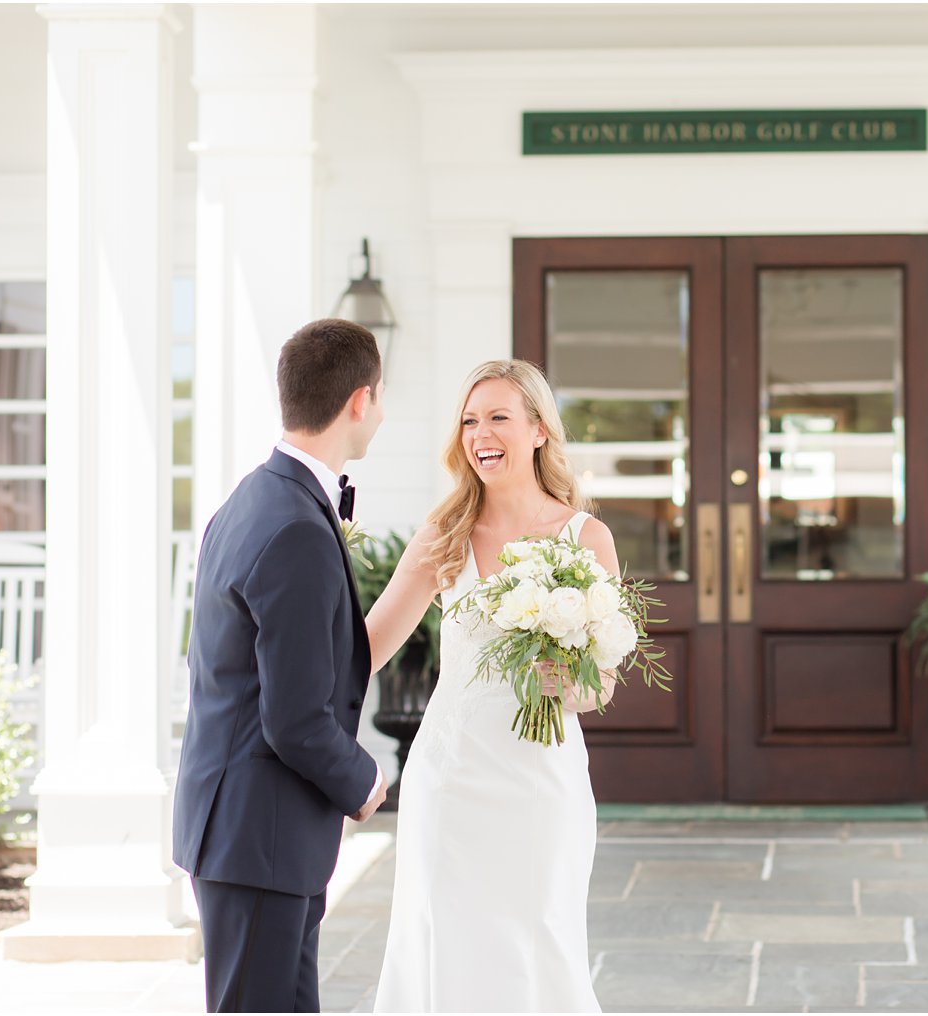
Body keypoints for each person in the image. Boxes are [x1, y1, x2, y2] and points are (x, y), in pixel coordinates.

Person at [365, 359, 620, 1012]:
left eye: (499, 417)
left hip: (543, 781)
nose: (481, 433)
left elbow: (604, 683)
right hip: (452, 780)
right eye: (470, 420)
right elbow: (364, 649)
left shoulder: (585, 537)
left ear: (538, 430)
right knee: (446, 942)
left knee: (542, 939)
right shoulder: (443, 536)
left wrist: (567, 682)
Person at [172, 318, 390, 1013]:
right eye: (380, 399)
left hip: (254, 838)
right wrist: (364, 780)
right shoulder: (295, 523)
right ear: (360, 400)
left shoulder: (248, 501)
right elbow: (295, 717)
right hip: (258, 839)